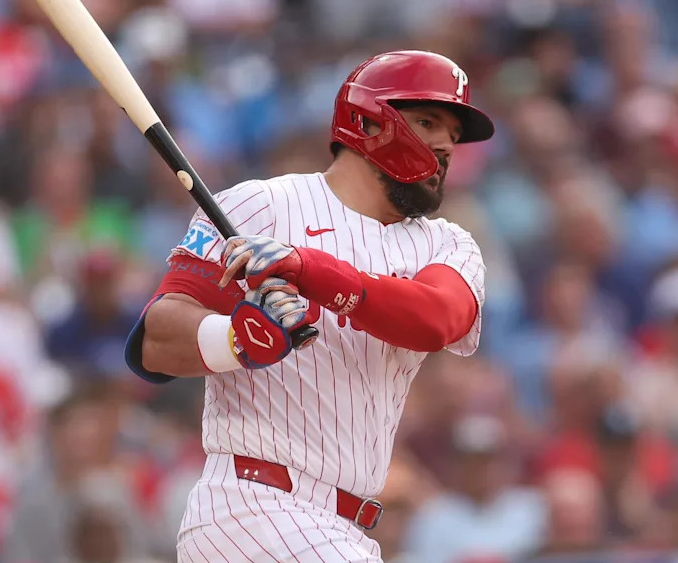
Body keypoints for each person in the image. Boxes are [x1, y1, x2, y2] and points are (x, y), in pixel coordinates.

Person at [124, 50, 493, 562]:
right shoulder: (262, 206)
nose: (445, 145)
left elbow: (437, 319)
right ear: (366, 121)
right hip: (254, 504)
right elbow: (155, 341)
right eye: (428, 122)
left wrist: (308, 269)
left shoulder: (448, 245)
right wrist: (235, 340)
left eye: (453, 134)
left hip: (348, 526)